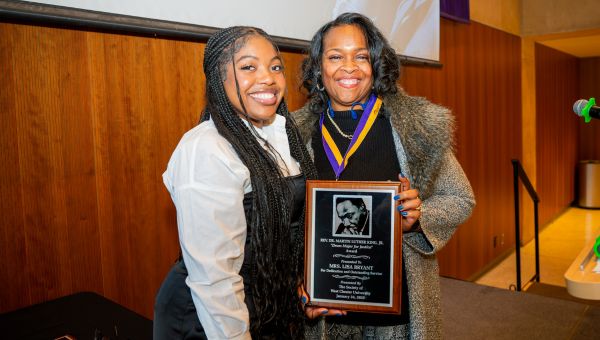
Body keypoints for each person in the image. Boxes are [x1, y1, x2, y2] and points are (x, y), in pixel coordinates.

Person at [294, 13, 476, 340]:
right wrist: (294, 280)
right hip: (324, 311)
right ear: (319, 69)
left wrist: (418, 218)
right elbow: (286, 224)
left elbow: (460, 198)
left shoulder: (416, 128)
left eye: (361, 56)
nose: (348, 67)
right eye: (335, 57)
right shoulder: (294, 135)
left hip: (395, 313)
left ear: (376, 64)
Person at [153, 26, 336, 340]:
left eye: (275, 66)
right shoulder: (206, 148)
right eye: (248, 67)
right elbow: (216, 277)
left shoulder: (279, 136)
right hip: (210, 317)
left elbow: (279, 237)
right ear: (218, 77)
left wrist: (298, 291)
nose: (267, 78)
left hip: (265, 303)